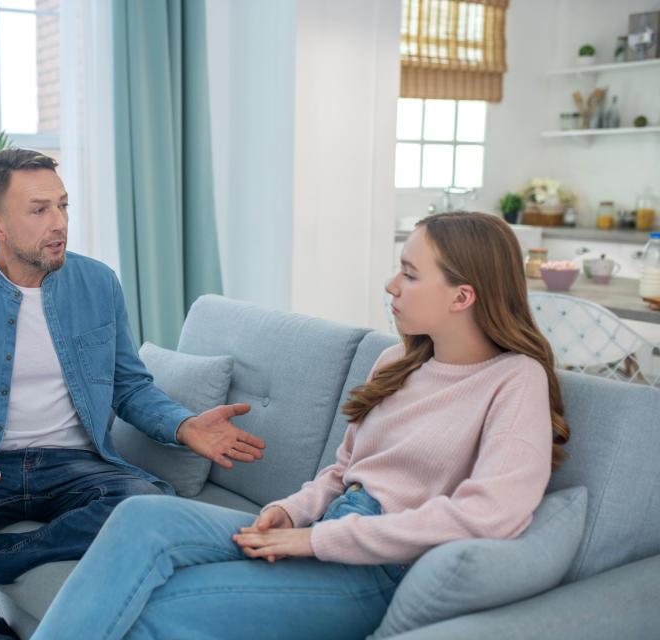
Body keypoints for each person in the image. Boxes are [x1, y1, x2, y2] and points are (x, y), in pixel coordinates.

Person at [29, 211, 571, 640]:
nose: (390, 285)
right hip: (327, 527)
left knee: (151, 614)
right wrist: (292, 511)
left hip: (375, 568)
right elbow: (342, 472)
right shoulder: (394, 363)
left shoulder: (513, 379)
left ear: (462, 295)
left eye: (409, 273)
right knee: (139, 518)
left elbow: (491, 515)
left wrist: (319, 539)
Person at [0, 148, 266, 640]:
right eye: (39, 210)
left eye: (63, 206)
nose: (58, 223)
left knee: (147, 505)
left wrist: (184, 426)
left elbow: (129, 386)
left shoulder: (98, 283)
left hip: (76, 466)